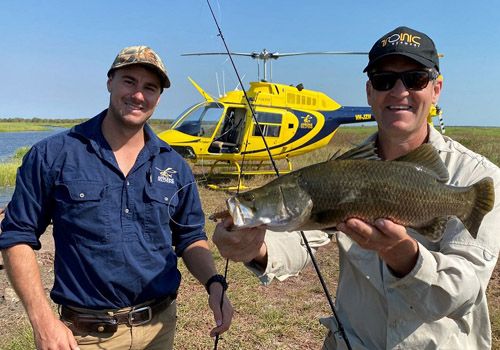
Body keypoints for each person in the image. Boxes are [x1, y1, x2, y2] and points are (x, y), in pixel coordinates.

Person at [213, 26, 500, 349]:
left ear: (436, 89)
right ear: (369, 91)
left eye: (416, 78)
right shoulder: (341, 171)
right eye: (383, 80)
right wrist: (256, 249)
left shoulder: (478, 178)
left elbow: (466, 288)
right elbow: (303, 236)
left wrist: (404, 257)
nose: (398, 91)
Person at [0, 45, 233, 350]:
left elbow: (189, 237)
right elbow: (17, 235)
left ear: (158, 98)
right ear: (110, 82)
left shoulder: (173, 165)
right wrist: (42, 320)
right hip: (83, 336)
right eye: (129, 81)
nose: (138, 95)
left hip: (159, 328)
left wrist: (213, 282)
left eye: (150, 87)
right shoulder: (53, 154)